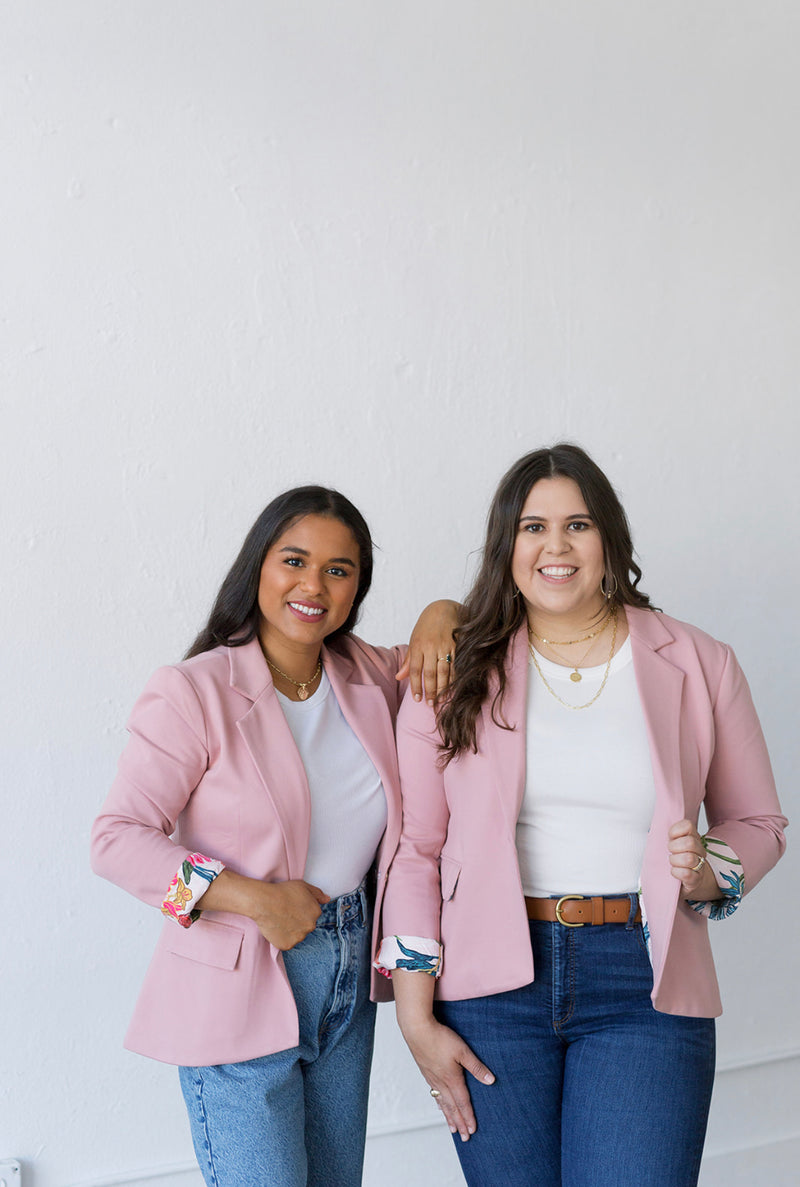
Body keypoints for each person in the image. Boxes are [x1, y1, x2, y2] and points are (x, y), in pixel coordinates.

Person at [377, 444, 787, 1187]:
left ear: (611, 541)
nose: (555, 546)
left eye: (579, 524)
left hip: (645, 982)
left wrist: (704, 872)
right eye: (533, 526)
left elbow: (758, 822)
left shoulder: (699, 661)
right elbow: (417, 851)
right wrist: (414, 1016)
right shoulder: (455, 669)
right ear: (508, 546)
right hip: (489, 991)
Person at [90, 485, 459, 1187]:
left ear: (358, 587)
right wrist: (253, 898)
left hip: (349, 970)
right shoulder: (193, 690)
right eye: (294, 559)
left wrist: (443, 612)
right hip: (239, 976)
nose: (313, 585)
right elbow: (115, 838)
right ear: (258, 565)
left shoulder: (370, 676)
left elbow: (454, 644)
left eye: (339, 569)